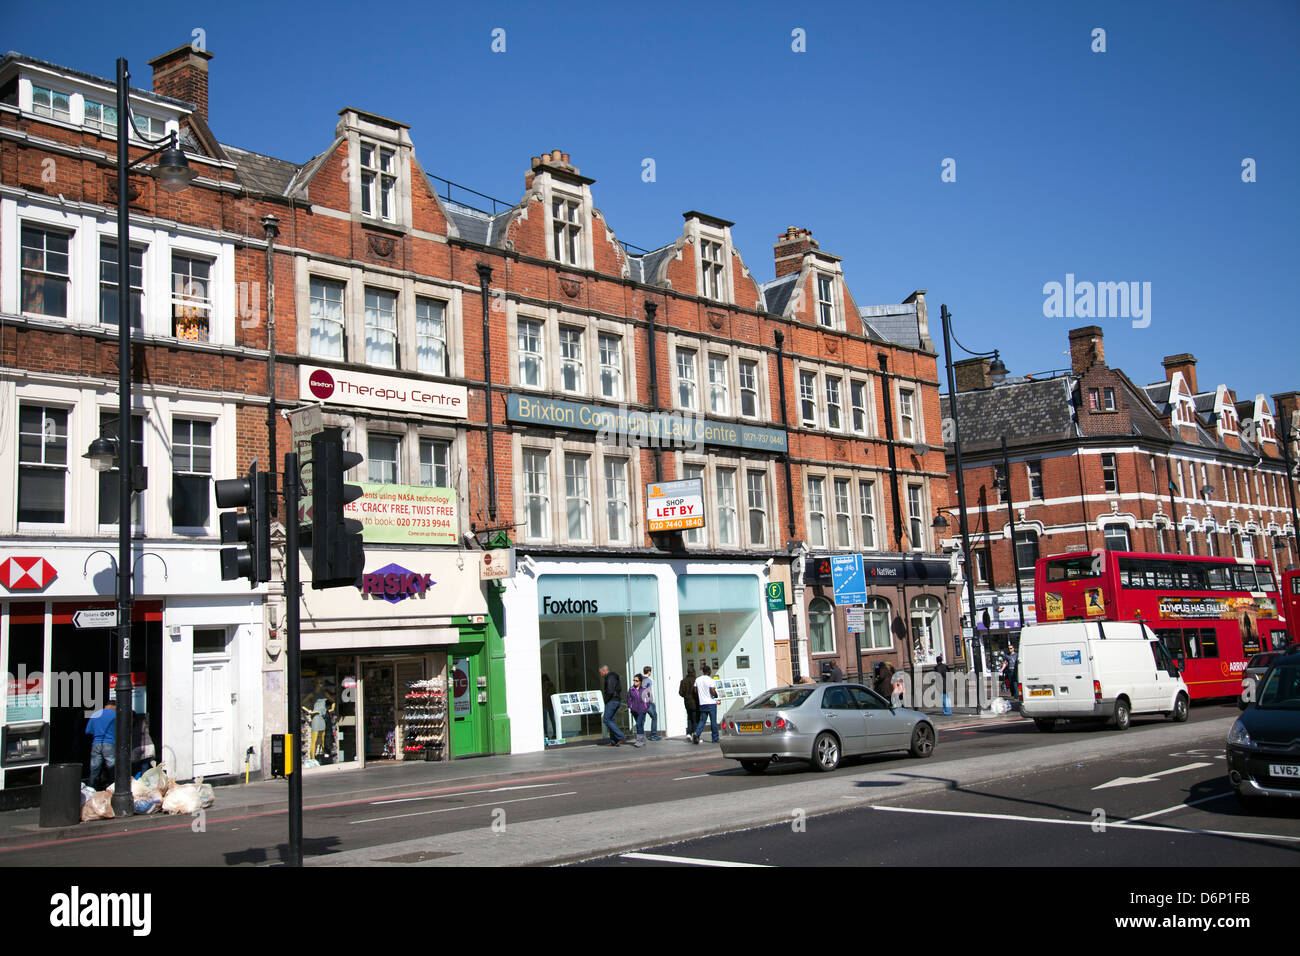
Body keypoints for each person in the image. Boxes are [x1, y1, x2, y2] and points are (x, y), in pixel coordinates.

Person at [85, 699, 116, 789]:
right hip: (110, 743)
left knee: (95, 768)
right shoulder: (115, 714)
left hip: (96, 743)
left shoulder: (96, 714)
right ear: (114, 706)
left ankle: (91, 789)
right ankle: (113, 788)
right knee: (111, 767)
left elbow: (88, 731)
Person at [692, 665, 721, 744]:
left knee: (702, 720)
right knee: (713, 721)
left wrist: (700, 695)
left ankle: (696, 733)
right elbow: (712, 690)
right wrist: (716, 695)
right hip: (711, 703)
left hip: (702, 703)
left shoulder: (697, 679)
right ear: (709, 671)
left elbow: (694, 690)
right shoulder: (710, 680)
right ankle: (715, 738)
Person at [598, 665, 625, 746]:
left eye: (601, 672)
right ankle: (614, 741)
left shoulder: (610, 677)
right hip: (616, 700)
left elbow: (610, 690)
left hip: (612, 701)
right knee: (611, 720)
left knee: (606, 719)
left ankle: (620, 736)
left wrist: (606, 700)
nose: (600, 674)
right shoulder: (613, 676)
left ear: (604, 671)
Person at [627, 674, 650, 747]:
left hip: (642, 710)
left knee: (638, 724)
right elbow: (628, 699)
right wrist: (630, 706)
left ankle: (639, 740)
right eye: (634, 680)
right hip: (634, 710)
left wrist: (646, 706)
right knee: (640, 724)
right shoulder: (631, 689)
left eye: (636, 680)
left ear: (640, 681)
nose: (634, 682)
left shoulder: (644, 689)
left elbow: (648, 699)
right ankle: (643, 739)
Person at [679, 666, 699, 739]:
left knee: (689, 718)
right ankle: (695, 733)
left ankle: (689, 733)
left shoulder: (683, 681)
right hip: (695, 702)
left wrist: (686, 696)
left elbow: (680, 692)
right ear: (693, 672)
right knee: (695, 719)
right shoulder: (695, 680)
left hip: (687, 702)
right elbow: (697, 692)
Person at [641, 666, 660, 741]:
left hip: (641, 702)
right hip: (648, 702)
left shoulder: (640, 679)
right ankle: (654, 735)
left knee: (642, 719)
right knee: (654, 716)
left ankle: (641, 736)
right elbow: (648, 691)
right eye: (650, 671)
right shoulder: (648, 680)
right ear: (649, 672)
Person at [541, 674, 557, 740]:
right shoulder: (551, 685)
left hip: (544, 705)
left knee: (545, 720)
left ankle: (546, 734)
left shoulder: (541, 685)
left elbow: (543, 695)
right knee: (552, 719)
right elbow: (554, 694)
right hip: (551, 704)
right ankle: (555, 733)